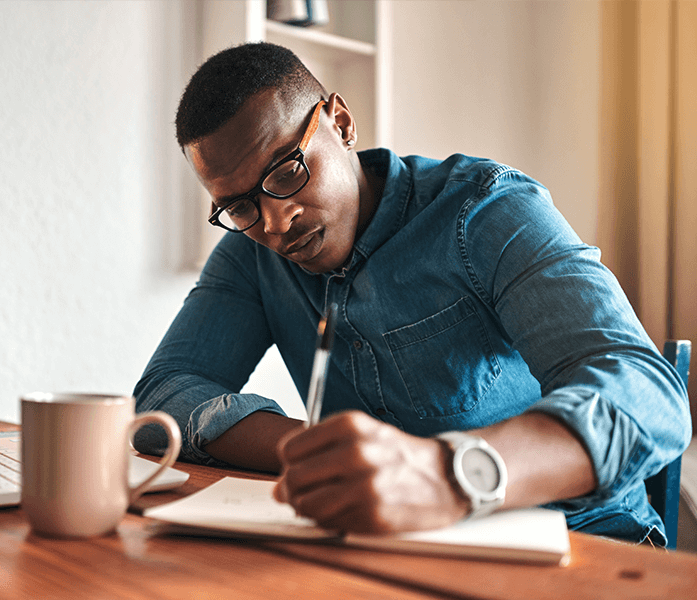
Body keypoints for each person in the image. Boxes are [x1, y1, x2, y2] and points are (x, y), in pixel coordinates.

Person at [133, 42, 691, 544]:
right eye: (239, 206)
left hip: (576, 541)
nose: (275, 222)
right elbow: (163, 391)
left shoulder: (486, 212)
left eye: (286, 171)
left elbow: (649, 398)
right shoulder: (252, 254)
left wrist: (447, 475)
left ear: (342, 123)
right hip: (393, 550)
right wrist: (320, 456)